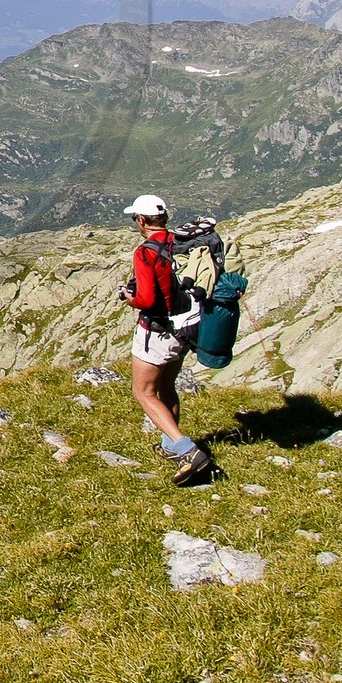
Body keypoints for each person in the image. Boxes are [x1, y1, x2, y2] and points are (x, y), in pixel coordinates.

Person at [120, 194, 211, 486]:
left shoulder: (145, 252)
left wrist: (129, 298)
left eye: (136, 218)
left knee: (144, 392)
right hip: (185, 328)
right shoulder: (180, 243)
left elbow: (146, 299)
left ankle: (187, 451)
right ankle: (169, 443)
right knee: (167, 385)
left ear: (142, 221)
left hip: (156, 330)